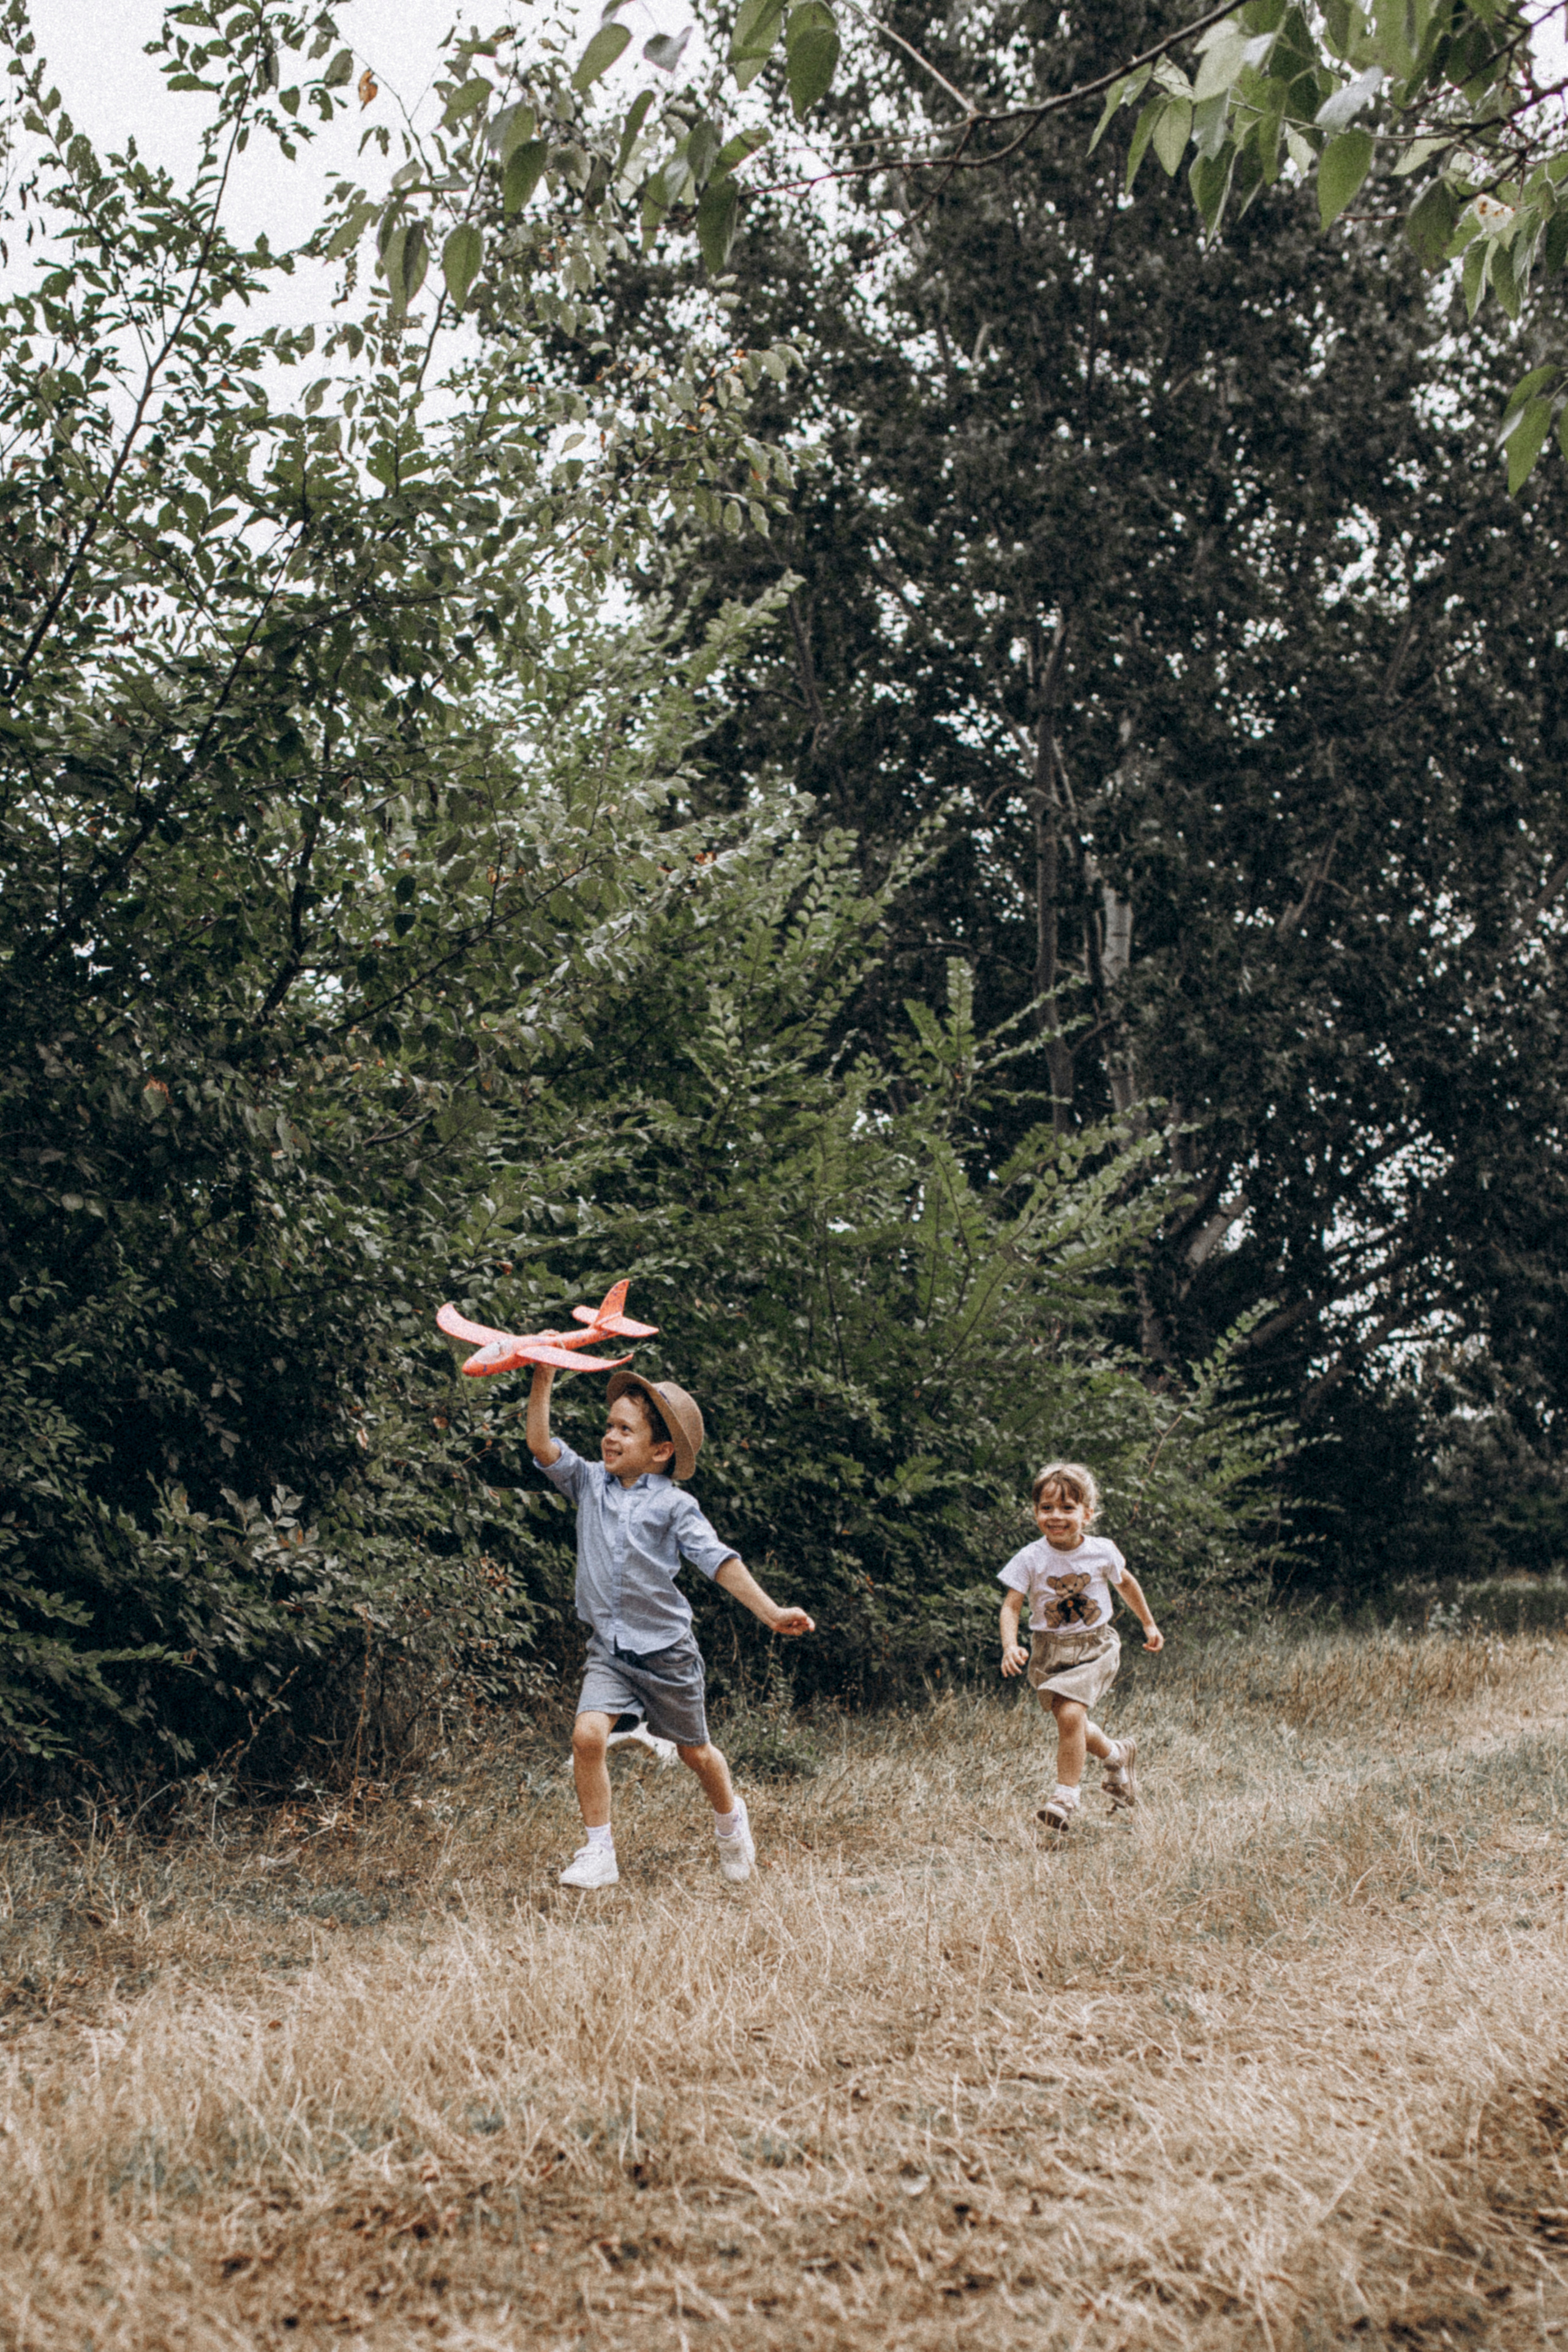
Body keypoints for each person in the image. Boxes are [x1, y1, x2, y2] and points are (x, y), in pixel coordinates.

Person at [528, 1361, 815, 1889]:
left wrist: (771, 1612)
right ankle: (599, 1851)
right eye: (608, 1426)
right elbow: (543, 1447)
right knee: (586, 1736)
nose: (609, 1437)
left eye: (625, 1430)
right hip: (610, 1651)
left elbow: (720, 1562)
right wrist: (543, 1380)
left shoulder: (675, 1506)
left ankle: (731, 1823)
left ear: (661, 1451)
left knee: (695, 1753)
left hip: (667, 1654)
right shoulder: (590, 1484)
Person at [998, 1460, 1163, 1832]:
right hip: (1048, 1651)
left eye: (1067, 1508)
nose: (1056, 1516)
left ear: (1088, 1514)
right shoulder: (1030, 1557)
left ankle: (1065, 1798)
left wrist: (1148, 1623)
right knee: (1072, 1721)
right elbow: (1011, 1605)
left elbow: (1126, 1584)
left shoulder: (1102, 1551)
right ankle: (1117, 1755)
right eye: (1046, 1508)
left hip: (1094, 1647)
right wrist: (1010, 1646)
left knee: (1071, 1716)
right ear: (1036, 1511)